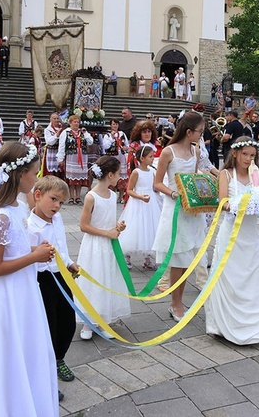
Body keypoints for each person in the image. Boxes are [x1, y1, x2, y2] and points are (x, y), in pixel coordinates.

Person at [0, 142, 59, 414]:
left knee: (27, 347)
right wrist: (33, 258)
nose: (36, 178)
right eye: (34, 173)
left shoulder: (17, 208)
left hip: (23, 288)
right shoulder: (1, 216)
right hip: (8, 294)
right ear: (19, 173)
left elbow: (16, 250)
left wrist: (34, 249)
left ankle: (29, 401)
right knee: (11, 351)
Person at [205, 137, 259, 345]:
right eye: (245, 154)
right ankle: (223, 323)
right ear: (235, 153)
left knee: (252, 273)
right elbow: (223, 201)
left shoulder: (255, 176)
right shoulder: (225, 174)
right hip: (232, 232)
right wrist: (237, 205)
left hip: (250, 233)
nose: (248, 159)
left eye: (252, 155)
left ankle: (255, 323)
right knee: (229, 273)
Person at [152, 112, 208, 321]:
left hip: (191, 210)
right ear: (188, 132)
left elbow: (194, 178)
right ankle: (175, 303)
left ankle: (179, 299)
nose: (201, 135)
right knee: (178, 258)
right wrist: (174, 193)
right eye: (200, 132)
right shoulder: (168, 152)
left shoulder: (196, 151)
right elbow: (157, 183)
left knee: (188, 258)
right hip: (175, 208)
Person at [27, 176, 80, 388]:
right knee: (48, 324)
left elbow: (61, 246)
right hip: (43, 280)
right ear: (37, 196)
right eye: (54, 199)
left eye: (61, 202)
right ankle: (45, 368)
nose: (57, 206)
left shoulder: (56, 219)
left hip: (62, 276)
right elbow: (29, 259)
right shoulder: (31, 227)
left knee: (68, 321)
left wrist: (69, 263)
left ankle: (59, 358)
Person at [76, 156, 130, 340]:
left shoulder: (113, 195)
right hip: (94, 245)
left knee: (107, 279)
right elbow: (84, 226)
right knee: (93, 279)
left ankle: (105, 319)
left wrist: (117, 227)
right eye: (118, 173)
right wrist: (107, 233)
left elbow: (107, 219)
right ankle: (88, 321)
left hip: (109, 245)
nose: (120, 177)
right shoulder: (91, 197)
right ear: (110, 174)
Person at [119, 146, 161, 269]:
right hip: (138, 203)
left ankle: (147, 258)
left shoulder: (152, 171)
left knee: (149, 228)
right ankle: (127, 256)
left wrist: (157, 193)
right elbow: (130, 190)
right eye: (150, 157)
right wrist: (140, 197)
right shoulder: (136, 172)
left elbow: (154, 187)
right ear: (142, 158)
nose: (153, 159)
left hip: (150, 203)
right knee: (135, 228)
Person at [56, 115, 93, 204]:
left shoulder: (82, 133)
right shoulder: (66, 132)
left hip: (82, 158)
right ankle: (71, 196)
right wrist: (60, 158)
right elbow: (62, 146)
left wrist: (86, 133)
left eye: (77, 122)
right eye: (74, 122)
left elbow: (90, 142)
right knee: (72, 178)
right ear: (70, 123)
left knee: (79, 178)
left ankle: (78, 197)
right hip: (71, 157)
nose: (76, 124)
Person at [101, 118, 129, 203]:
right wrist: (112, 138)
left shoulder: (122, 134)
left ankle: (121, 196)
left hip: (121, 158)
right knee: (112, 176)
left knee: (122, 177)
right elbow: (105, 146)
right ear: (110, 125)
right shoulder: (108, 135)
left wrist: (126, 147)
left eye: (116, 124)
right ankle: (112, 195)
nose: (115, 126)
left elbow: (127, 145)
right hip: (112, 158)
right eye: (113, 124)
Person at [43, 112, 65, 178]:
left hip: (61, 151)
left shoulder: (63, 128)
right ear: (51, 119)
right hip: (52, 152)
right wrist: (56, 135)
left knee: (60, 171)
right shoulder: (47, 130)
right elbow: (49, 141)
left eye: (57, 118)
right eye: (54, 118)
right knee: (52, 172)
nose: (56, 120)